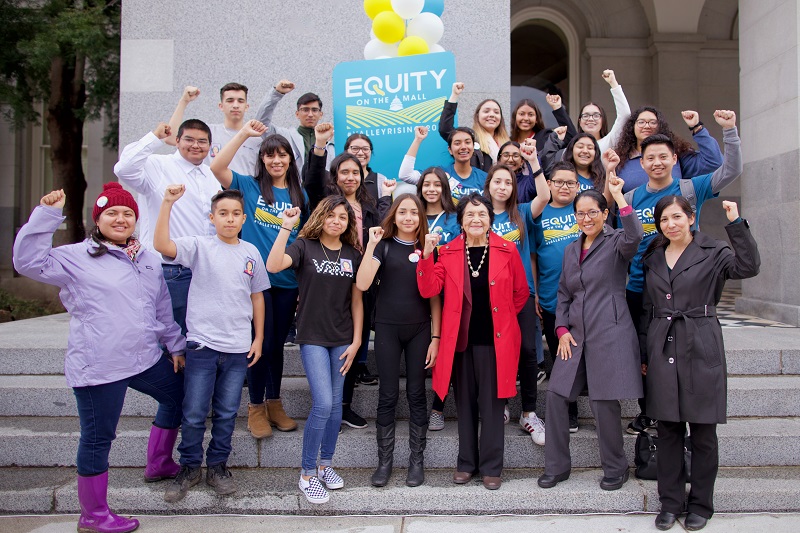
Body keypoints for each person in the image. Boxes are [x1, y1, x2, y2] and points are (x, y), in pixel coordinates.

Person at [13, 184, 185, 533]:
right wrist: (46, 216)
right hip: (100, 365)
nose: (120, 219)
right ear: (98, 218)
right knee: (97, 438)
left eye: (127, 214)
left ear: (136, 220)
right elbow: (27, 261)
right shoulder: (76, 256)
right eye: (112, 213)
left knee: (179, 396)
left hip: (144, 358)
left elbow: (162, 308)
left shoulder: (148, 257)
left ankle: (160, 463)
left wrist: (176, 345)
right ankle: (93, 514)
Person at [621, 110, 741, 436]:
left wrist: (727, 130)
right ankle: (651, 413)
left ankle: (684, 410)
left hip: (686, 287)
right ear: (641, 163)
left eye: (663, 156)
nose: (657, 162)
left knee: (681, 353)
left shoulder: (690, 189)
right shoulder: (631, 197)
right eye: (650, 158)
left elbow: (730, 170)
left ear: (674, 159)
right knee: (646, 353)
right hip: (640, 287)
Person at [642, 197, 759, 531]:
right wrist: (643, 352)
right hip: (662, 345)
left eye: (677, 217)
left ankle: (702, 504)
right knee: (668, 429)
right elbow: (646, 308)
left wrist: (736, 223)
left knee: (703, 432)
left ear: (690, 218)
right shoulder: (652, 258)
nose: (671, 224)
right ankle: (670, 502)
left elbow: (748, 266)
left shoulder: (713, 250)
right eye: (664, 219)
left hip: (701, 343)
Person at [156, 187, 268, 502]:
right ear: (212, 218)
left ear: (244, 218)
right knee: (193, 411)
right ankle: (189, 467)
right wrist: (167, 204)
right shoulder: (199, 247)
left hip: (237, 349)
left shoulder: (251, 252)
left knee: (227, 412)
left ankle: (217, 466)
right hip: (202, 346)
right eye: (223, 213)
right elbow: (161, 245)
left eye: (235, 214)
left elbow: (257, 296)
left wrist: (258, 338)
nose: (229, 219)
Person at [537, 175, 644, 491]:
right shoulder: (571, 249)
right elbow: (563, 293)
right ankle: (557, 467)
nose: (586, 218)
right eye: (580, 213)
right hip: (575, 336)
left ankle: (616, 467)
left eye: (592, 212)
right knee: (557, 397)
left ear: (604, 213)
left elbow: (636, 235)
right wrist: (560, 329)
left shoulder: (616, 243)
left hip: (610, 333)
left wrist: (618, 196)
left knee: (603, 402)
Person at [417, 193, 529, 490]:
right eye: (469, 215)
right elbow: (430, 289)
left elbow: (520, 292)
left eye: (481, 214)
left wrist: (502, 318)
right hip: (460, 343)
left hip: (496, 342)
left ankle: (492, 467)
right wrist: (427, 255)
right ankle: (466, 463)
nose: (476, 219)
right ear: (461, 221)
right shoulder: (449, 251)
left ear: (490, 219)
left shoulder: (507, 250)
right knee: (464, 405)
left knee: (493, 406)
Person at [209, 119, 309, 439]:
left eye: (282, 155)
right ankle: (255, 407)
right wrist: (244, 134)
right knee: (259, 344)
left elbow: (301, 238)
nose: (276, 160)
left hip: (287, 282)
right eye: (270, 155)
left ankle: (275, 403)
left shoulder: (299, 194)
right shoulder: (248, 186)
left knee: (276, 346)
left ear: (290, 159)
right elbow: (217, 167)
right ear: (262, 159)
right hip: (254, 282)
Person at [266, 196, 364, 504]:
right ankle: (307, 474)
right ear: (321, 217)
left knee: (335, 405)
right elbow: (272, 265)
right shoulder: (303, 246)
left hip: (343, 338)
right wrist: (285, 227)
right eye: (331, 215)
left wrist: (358, 340)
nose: (337, 221)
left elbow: (357, 300)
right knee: (323, 402)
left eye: (343, 217)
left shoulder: (352, 253)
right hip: (312, 337)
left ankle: (326, 465)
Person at [306, 122, 393, 427]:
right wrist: (319, 145)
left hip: (363, 276)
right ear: (336, 175)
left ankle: (343, 404)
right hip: (331, 276)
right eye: (344, 172)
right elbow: (312, 180)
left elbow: (382, 228)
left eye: (355, 172)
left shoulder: (368, 203)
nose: (350, 177)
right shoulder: (326, 200)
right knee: (339, 339)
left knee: (355, 342)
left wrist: (388, 198)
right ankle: (329, 405)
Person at [356, 194, 443, 487]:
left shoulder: (429, 248)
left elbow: (434, 298)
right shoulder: (384, 246)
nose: (408, 218)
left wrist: (436, 336)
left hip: (419, 330)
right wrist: (370, 245)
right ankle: (385, 462)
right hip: (387, 329)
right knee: (388, 394)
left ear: (421, 218)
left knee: (417, 393)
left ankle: (416, 463)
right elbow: (363, 283)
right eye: (402, 212)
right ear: (393, 216)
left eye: (413, 213)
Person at [114, 120, 222, 334]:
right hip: (168, 270)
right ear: (177, 141)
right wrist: (154, 137)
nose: (196, 145)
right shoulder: (158, 165)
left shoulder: (209, 175)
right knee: (167, 336)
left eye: (202, 141)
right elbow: (123, 168)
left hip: (201, 270)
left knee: (193, 335)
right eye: (189, 139)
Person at [483, 139, 551, 445]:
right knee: (497, 352)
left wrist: (534, 161)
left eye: (508, 182)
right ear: (489, 184)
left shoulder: (522, 212)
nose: (502, 187)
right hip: (489, 296)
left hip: (521, 295)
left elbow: (545, 195)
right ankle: (500, 406)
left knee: (527, 352)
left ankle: (528, 413)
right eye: (497, 181)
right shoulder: (479, 216)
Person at [533, 161, 583, 432]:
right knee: (562, 358)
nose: (564, 187)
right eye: (559, 182)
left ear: (578, 187)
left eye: (570, 183)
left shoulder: (583, 210)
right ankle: (569, 411)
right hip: (553, 300)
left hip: (586, 301)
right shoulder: (539, 213)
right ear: (548, 184)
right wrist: (537, 293)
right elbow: (532, 255)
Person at [614, 107, 723, 192]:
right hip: (633, 219)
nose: (647, 126)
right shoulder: (620, 160)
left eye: (653, 122)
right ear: (632, 127)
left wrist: (697, 127)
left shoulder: (676, 156)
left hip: (670, 217)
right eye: (641, 122)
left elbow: (714, 161)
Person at [166, 84, 267, 175]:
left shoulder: (257, 138)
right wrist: (184, 101)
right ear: (221, 106)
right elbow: (170, 139)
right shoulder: (207, 132)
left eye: (240, 101)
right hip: (214, 193)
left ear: (246, 107)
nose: (235, 105)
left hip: (245, 193)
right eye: (230, 100)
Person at [254, 79, 335, 173]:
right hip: (293, 187)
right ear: (297, 114)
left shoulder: (330, 146)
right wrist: (276, 93)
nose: (310, 114)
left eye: (314, 110)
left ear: (320, 114)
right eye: (305, 110)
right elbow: (261, 123)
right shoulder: (285, 136)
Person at [399, 125, 488, 205]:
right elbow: (405, 175)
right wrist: (418, 140)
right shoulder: (440, 174)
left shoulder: (484, 178)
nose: (463, 147)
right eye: (457, 143)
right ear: (450, 149)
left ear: (473, 147)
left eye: (467, 142)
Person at [437, 82, 510, 166]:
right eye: (486, 111)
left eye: (496, 112)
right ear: (477, 116)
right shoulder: (470, 139)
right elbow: (445, 129)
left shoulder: (507, 142)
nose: (492, 115)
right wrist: (454, 95)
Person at [510, 94, 576, 149]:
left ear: (537, 119)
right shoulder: (509, 141)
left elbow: (572, 139)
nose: (526, 118)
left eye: (530, 114)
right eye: (522, 114)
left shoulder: (545, 138)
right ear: (515, 117)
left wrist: (558, 108)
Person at [416, 166, 461, 247]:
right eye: (426, 185)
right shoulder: (414, 217)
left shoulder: (456, 219)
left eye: (437, 185)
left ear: (445, 188)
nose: (431, 189)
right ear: (420, 188)